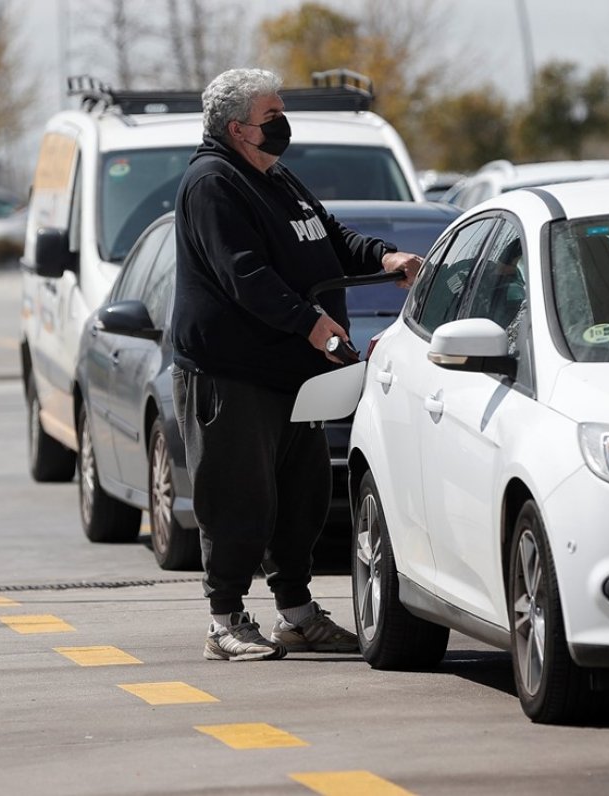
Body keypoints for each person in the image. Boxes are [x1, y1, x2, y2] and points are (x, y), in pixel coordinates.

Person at [170, 67, 422, 661]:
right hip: (232, 376)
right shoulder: (213, 183)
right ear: (237, 128)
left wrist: (385, 257)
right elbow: (244, 275)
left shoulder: (277, 177)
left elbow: (328, 235)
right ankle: (225, 620)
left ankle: (297, 615)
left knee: (299, 500)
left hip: (295, 377)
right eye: (272, 117)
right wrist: (308, 323)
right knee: (237, 501)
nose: (283, 125)